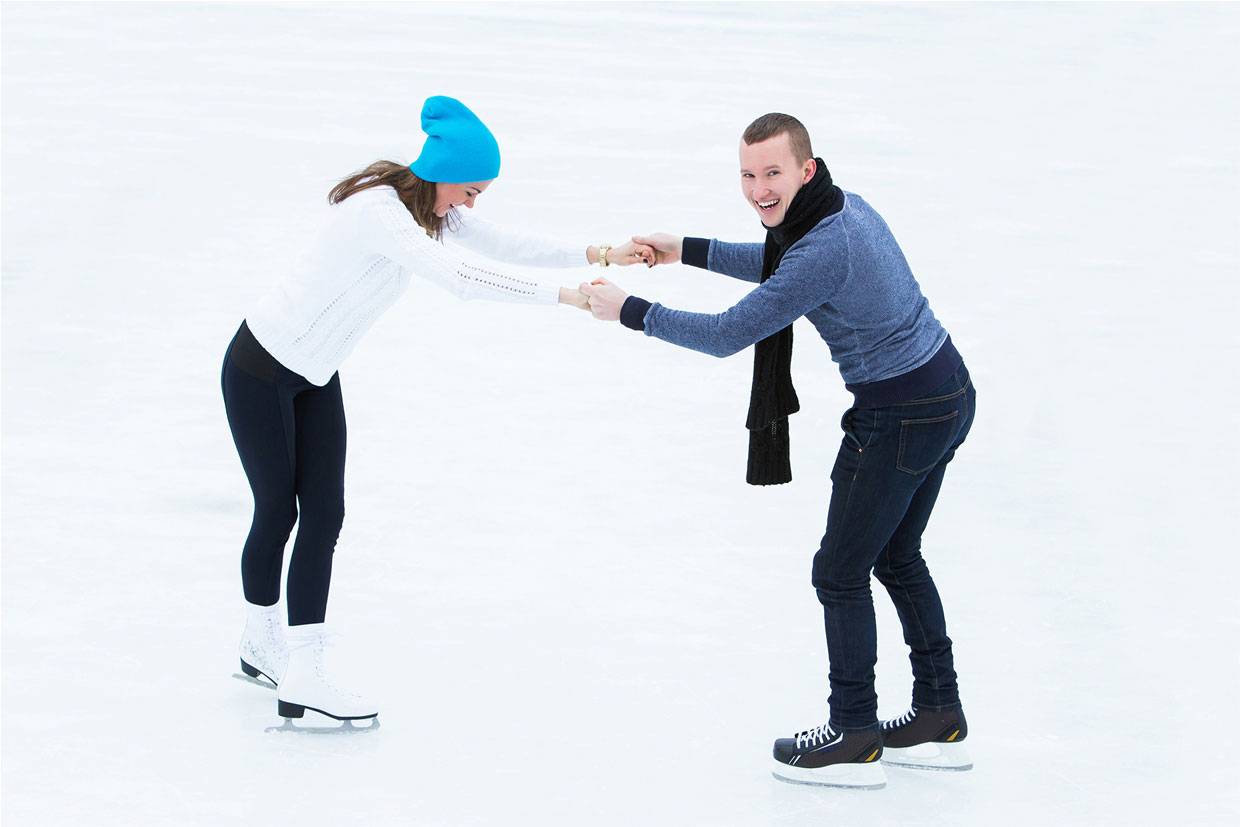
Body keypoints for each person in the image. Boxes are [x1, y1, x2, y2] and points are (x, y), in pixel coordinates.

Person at [222, 95, 649, 724]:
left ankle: (303, 669)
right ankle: (262, 643)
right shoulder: (382, 213)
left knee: (326, 513)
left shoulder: (431, 212)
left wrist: (600, 254)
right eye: (471, 190)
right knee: (279, 511)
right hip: (259, 368)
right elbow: (461, 279)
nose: (473, 204)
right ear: (441, 172)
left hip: (314, 373)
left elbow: (506, 244)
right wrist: (567, 298)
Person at [580, 113, 975, 789]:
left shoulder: (821, 248)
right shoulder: (844, 210)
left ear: (805, 170)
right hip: (948, 391)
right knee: (896, 555)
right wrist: (686, 249)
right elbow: (782, 262)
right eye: (746, 174)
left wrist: (629, 310)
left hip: (900, 417)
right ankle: (939, 709)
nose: (759, 189)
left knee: (839, 571)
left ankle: (853, 729)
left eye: (772, 173)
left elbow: (729, 333)